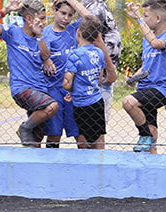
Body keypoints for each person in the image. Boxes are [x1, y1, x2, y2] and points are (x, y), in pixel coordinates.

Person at [0, 0, 57, 147]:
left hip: (40, 88)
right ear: (29, 19)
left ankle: (30, 145)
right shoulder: (13, 32)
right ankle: (24, 128)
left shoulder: (41, 36)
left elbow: (45, 55)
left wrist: (40, 36)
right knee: (52, 106)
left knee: (35, 141)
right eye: (41, 18)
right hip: (22, 88)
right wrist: (6, 10)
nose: (44, 21)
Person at [122, 0, 166, 153]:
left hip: (160, 89)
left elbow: (156, 44)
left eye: (146, 16)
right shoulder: (147, 39)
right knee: (152, 131)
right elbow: (147, 64)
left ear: (158, 18)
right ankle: (150, 146)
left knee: (128, 102)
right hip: (145, 87)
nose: (144, 19)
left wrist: (138, 19)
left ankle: (144, 135)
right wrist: (135, 77)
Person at [42, 0, 91, 148]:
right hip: (53, 89)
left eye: (70, 15)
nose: (66, 18)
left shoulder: (74, 30)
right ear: (54, 11)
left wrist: (71, 1)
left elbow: (89, 18)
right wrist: (46, 59)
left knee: (80, 134)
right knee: (54, 134)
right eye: (63, 13)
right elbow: (41, 52)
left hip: (73, 90)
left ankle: (86, 164)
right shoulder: (46, 32)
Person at [64, 15, 116, 149]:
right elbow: (99, 80)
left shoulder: (74, 55)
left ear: (78, 32)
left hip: (81, 105)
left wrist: (71, 89)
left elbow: (67, 84)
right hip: (97, 101)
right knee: (98, 139)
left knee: (84, 141)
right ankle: (100, 165)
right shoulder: (99, 52)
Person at [76, 0, 121, 120]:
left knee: (97, 126)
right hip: (97, 77)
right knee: (95, 127)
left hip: (102, 76)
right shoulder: (93, 6)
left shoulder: (97, 4)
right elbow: (97, 39)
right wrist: (110, 70)